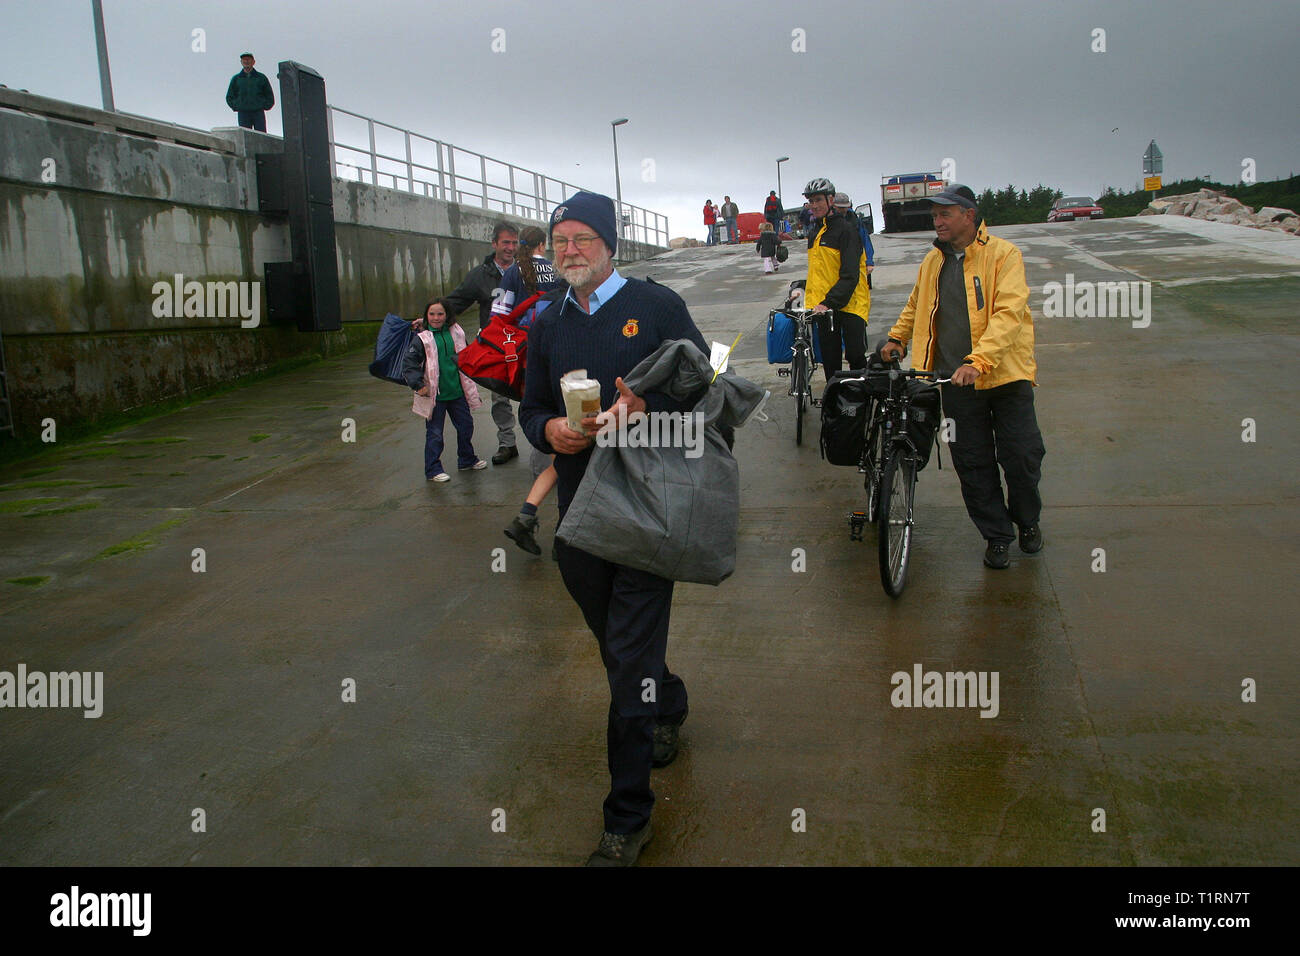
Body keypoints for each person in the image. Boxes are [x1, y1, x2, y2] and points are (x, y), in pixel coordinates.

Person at [519, 191, 708, 867]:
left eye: (582, 238)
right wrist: (550, 431)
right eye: (559, 239)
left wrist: (645, 405)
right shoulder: (547, 323)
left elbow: (702, 383)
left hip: (648, 513)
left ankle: (627, 817)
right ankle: (669, 700)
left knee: (625, 669)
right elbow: (530, 404)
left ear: (609, 244)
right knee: (624, 650)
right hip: (580, 519)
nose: (569, 250)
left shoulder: (655, 307)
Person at [880, 184, 1045, 570]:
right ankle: (997, 536)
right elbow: (916, 304)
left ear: (968, 215)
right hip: (952, 383)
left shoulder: (1004, 255)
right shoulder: (932, 262)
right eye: (934, 215)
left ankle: (1028, 521)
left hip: (1005, 378)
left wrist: (979, 361)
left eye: (945, 214)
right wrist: (896, 338)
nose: (936, 221)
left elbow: (1009, 314)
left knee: (1022, 457)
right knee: (972, 465)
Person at [498, 225, 568, 557]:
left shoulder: (512, 273)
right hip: (559, 355)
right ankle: (563, 532)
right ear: (545, 244)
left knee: (538, 414)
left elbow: (498, 317)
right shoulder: (557, 271)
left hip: (525, 357)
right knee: (572, 439)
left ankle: (529, 513)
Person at [442, 222, 522, 465]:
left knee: (534, 392)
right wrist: (430, 317)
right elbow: (456, 301)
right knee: (499, 397)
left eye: (514, 243)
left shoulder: (527, 271)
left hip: (526, 342)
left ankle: (544, 444)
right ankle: (507, 443)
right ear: (494, 244)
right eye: (506, 243)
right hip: (497, 347)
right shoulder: (480, 275)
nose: (510, 248)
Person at [402, 298, 486, 481]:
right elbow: (409, 363)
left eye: (440, 314)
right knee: (435, 434)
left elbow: (466, 354)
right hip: (435, 396)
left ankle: (466, 459)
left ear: (447, 315)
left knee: (466, 426)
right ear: (426, 316)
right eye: (432, 314)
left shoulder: (456, 332)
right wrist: (419, 385)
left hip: (457, 392)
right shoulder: (422, 339)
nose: (436, 318)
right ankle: (432, 469)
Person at [802, 177, 870, 383]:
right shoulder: (815, 232)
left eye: (819, 200)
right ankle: (834, 400)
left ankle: (860, 399)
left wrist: (827, 302)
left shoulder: (847, 230)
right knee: (830, 359)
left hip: (851, 303)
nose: (814, 206)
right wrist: (800, 290)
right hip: (824, 306)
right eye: (811, 201)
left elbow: (850, 275)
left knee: (855, 356)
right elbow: (818, 272)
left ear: (831, 200)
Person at [834, 191, 876, 288]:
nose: (843, 210)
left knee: (861, 293)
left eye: (845, 207)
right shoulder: (827, 221)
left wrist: (869, 262)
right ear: (833, 206)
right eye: (840, 207)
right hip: (836, 265)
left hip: (857, 262)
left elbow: (866, 240)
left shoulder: (855, 220)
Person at [225, 53, 275, 133]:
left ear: (253, 62)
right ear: (241, 62)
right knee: (245, 137)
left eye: (249, 59)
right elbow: (229, 96)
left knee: (261, 136)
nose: (246, 61)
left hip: (258, 113)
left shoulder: (261, 78)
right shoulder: (236, 79)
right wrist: (237, 106)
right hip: (243, 113)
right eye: (244, 60)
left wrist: (263, 105)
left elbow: (269, 95)